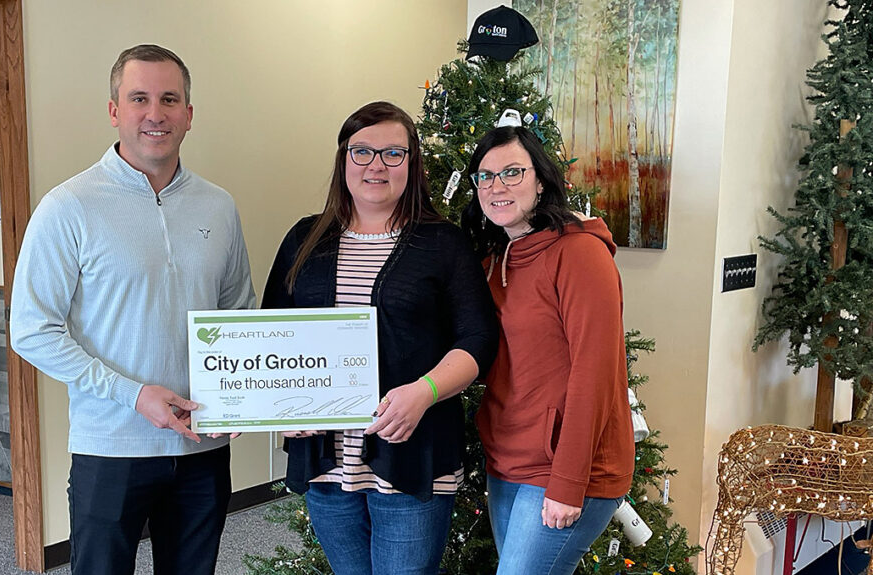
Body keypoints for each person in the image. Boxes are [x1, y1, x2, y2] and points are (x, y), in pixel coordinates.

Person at [9, 44, 255, 575]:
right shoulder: (68, 206)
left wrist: (244, 398)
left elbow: (238, 312)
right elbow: (31, 331)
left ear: (189, 114)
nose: (155, 113)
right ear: (114, 110)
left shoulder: (219, 205)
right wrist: (134, 394)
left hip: (202, 447)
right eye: (138, 97)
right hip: (110, 447)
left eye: (170, 99)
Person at [262, 101, 497, 575]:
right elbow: (271, 332)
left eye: (393, 153)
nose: (376, 165)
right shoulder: (305, 239)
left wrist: (423, 393)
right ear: (343, 159)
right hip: (325, 460)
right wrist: (278, 409)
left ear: (412, 163)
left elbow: (479, 339)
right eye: (362, 151)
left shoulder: (443, 243)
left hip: (412, 455)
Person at [461, 126, 634, 575]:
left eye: (512, 172)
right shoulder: (494, 262)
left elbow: (595, 375)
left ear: (541, 180)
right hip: (508, 460)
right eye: (485, 176)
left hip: (569, 468)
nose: (497, 186)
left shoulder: (579, 255)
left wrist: (568, 482)